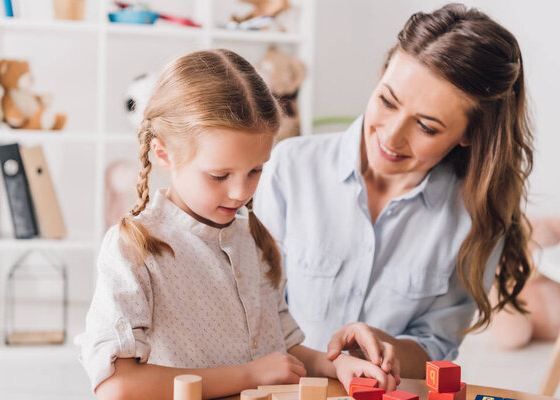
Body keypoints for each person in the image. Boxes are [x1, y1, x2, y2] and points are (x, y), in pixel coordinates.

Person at [75, 49, 397, 400]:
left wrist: (338, 365)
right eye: (219, 175)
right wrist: (248, 375)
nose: (240, 191)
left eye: (255, 170)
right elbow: (117, 386)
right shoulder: (133, 249)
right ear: (163, 153)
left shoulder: (253, 241)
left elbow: (281, 356)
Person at [255, 3, 533, 379]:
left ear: (470, 134)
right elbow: (253, 313)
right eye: (387, 101)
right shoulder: (289, 168)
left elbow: (437, 346)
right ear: (381, 75)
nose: (391, 135)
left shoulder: (475, 214)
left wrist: (389, 349)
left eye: (427, 127)